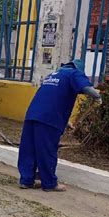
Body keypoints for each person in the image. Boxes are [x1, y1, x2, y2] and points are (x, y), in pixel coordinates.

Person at [18, 59, 102, 192]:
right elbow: (86, 88)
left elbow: (52, 98)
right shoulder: (74, 73)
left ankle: (26, 180)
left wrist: (66, 122)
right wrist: (97, 97)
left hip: (33, 115)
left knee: (29, 149)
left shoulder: (53, 75)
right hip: (49, 119)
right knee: (47, 150)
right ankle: (50, 183)